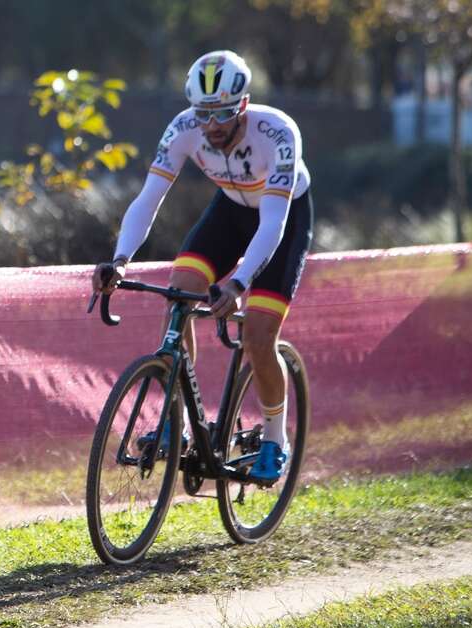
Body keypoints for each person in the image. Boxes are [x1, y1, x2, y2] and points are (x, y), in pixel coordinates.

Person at [93, 50, 312, 482]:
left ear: (243, 105)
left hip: (280, 216)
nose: (211, 126)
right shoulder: (183, 129)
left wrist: (239, 283)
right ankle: (178, 422)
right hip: (229, 210)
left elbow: (273, 224)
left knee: (259, 335)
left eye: (224, 114)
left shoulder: (279, 133)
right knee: (179, 290)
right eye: (203, 114)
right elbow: (147, 200)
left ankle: (274, 437)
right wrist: (119, 260)